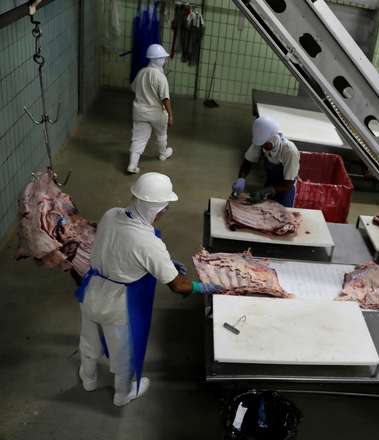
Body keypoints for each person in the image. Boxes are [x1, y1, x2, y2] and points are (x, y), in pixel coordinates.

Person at [75, 173, 221, 406]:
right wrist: (203, 286)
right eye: (164, 208)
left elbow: (119, 248)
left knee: (89, 339)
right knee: (123, 351)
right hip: (118, 305)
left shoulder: (110, 214)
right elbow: (178, 286)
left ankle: (88, 378)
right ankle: (122, 394)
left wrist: (165, 263)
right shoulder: (149, 243)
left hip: (91, 291)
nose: (164, 213)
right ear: (158, 209)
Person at [232, 116, 300, 208]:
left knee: (283, 216)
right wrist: (241, 178)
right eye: (261, 145)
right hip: (270, 182)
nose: (263, 147)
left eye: (265, 144)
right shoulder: (260, 143)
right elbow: (248, 161)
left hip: (285, 188)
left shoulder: (289, 151)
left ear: (274, 138)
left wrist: (264, 192)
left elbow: (287, 184)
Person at [127, 44, 174, 174]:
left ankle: (132, 165)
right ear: (158, 60)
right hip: (157, 113)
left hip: (140, 112)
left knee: (139, 138)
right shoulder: (161, 77)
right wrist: (170, 115)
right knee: (161, 134)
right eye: (163, 59)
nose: (165, 61)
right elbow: (165, 99)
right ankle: (163, 153)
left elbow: (133, 88)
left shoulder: (141, 72)